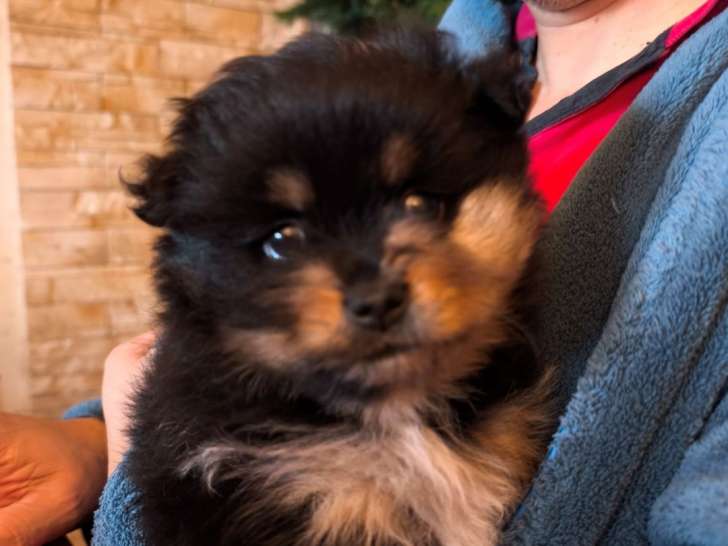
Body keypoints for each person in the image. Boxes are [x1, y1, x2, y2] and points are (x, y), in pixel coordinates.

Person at [1, 0, 726, 544]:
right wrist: (94, 448)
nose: (372, 286)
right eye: (285, 240)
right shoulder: (466, 41)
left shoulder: (467, 97)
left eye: (419, 206)